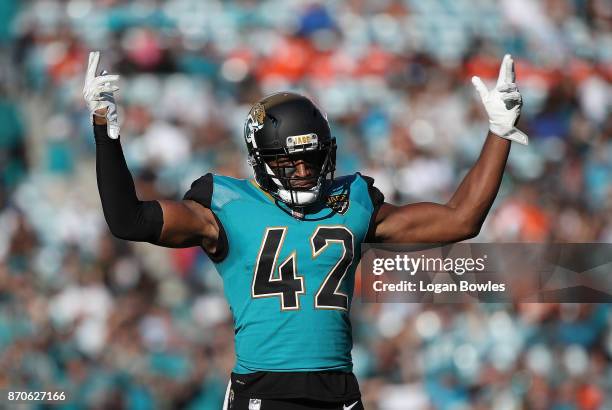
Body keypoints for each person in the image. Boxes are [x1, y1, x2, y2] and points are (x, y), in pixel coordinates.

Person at [83, 51, 527, 410]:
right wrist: (105, 132)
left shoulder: (351, 201)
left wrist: (498, 133)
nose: (300, 171)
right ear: (260, 160)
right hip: (264, 391)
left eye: (310, 159)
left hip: (338, 392)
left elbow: (461, 219)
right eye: (287, 161)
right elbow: (129, 220)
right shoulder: (226, 204)